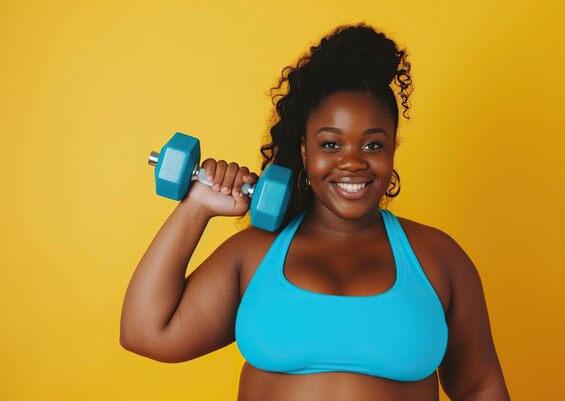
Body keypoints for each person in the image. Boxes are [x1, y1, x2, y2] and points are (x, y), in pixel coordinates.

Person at [120, 23, 511, 401]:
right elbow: (146, 332)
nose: (352, 162)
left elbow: (479, 388)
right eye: (331, 145)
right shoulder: (254, 253)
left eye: (372, 145)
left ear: (393, 149)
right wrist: (198, 206)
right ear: (305, 151)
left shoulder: (439, 257)